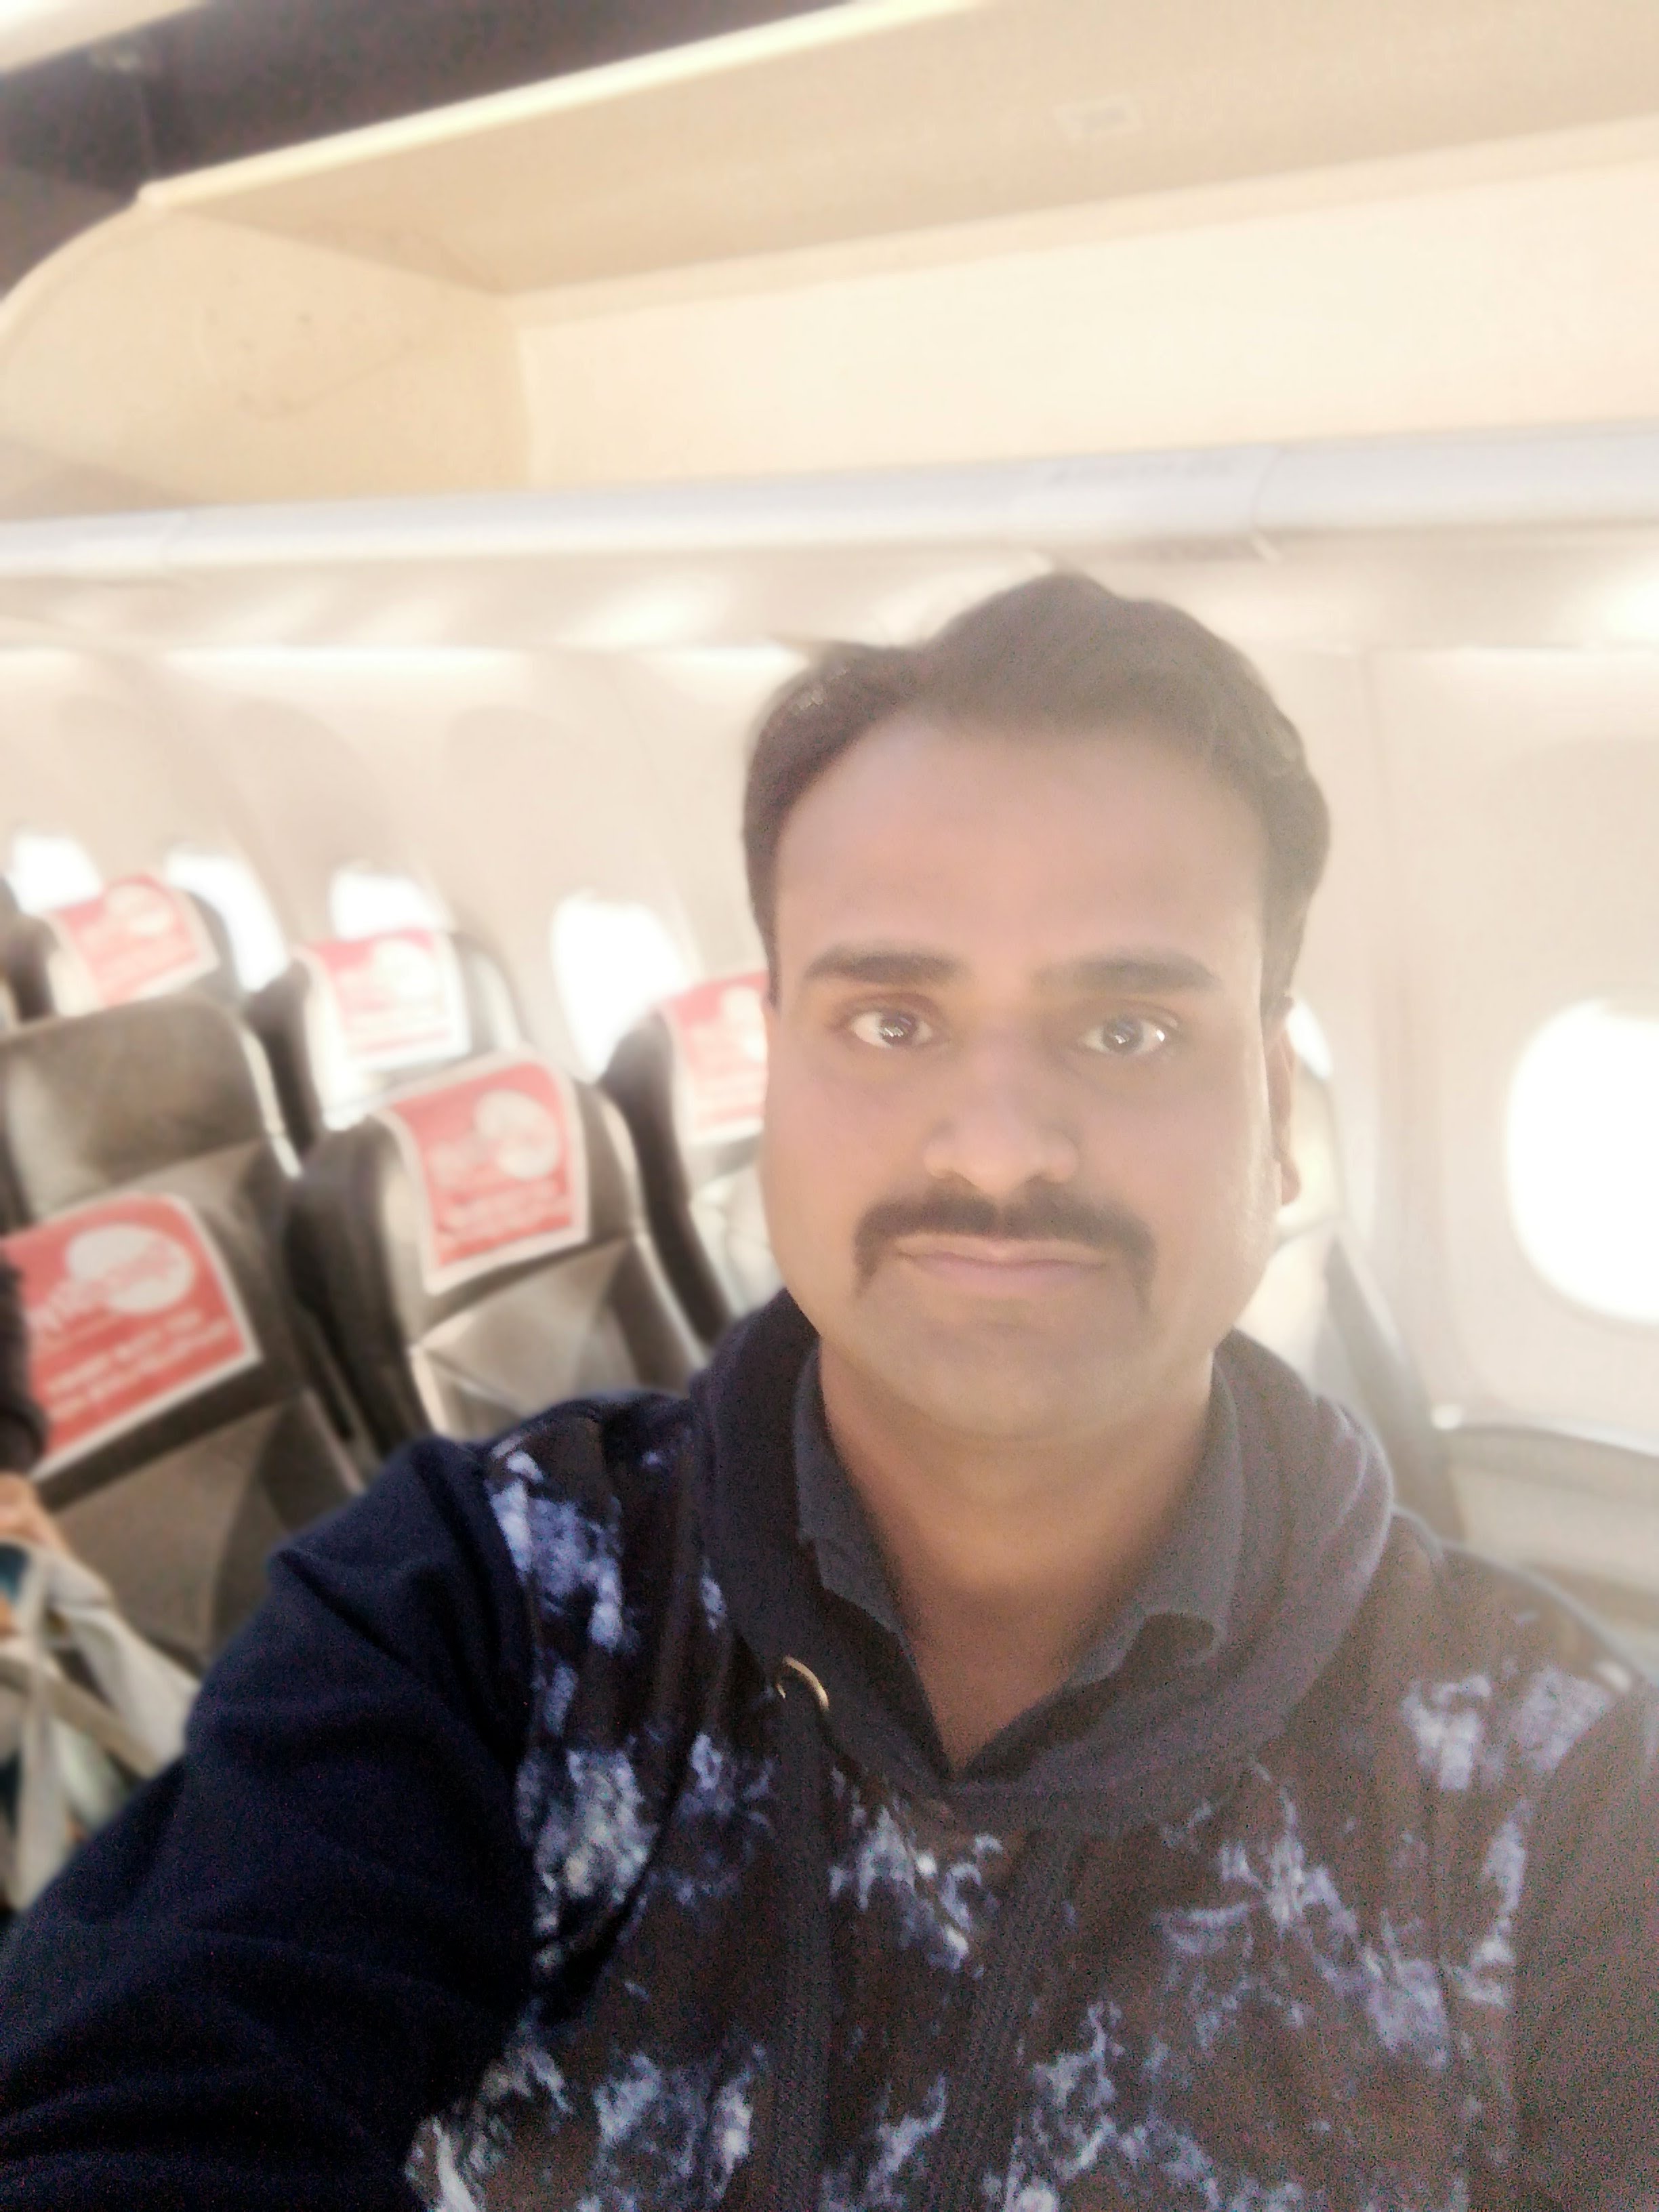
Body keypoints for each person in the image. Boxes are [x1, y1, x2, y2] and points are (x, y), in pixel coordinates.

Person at [0, 576, 1653, 2211]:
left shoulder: (1556, 1793)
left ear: (1281, 1113)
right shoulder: (484, 1612)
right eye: (892, 1018)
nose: (1000, 1146)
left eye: (1132, 1031)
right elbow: (142, 2102)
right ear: (774, 1081)